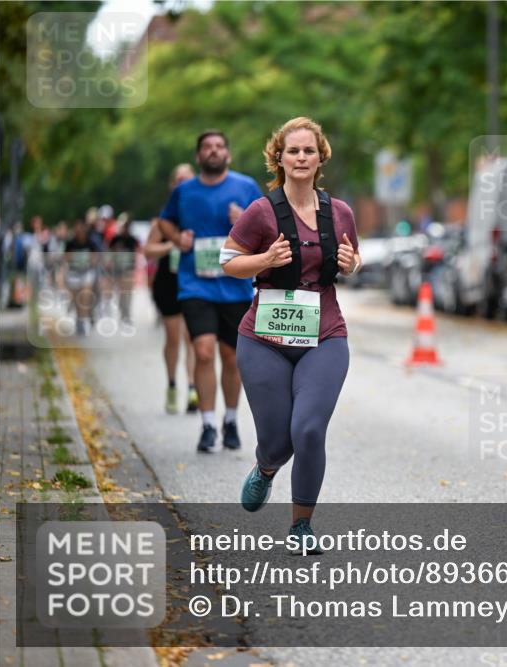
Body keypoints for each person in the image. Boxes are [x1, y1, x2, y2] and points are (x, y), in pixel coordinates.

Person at [221, 116, 359, 552]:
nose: (301, 158)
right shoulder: (261, 212)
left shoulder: (339, 212)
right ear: (278, 158)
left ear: (321, 157)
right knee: (279, 441)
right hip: (265, 339)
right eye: (293, 151)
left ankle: (301, 526)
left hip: (325, 334)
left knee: (310, 430)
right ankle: (265, 468)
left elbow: (352, 260)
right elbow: (228, 261)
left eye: (309, 150)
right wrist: (264, 258)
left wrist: (353, 263)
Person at [158, 131, 263, 452]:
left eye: (219, 147)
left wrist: (244, 219)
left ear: (228, 155)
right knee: (203, 351)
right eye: (207, 147)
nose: (213, 151)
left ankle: (230, 419)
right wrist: (177, 240)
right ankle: (207, 425)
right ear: (198, 156)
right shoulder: (184, 191)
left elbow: (270, 228)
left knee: (232, 358)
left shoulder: (246, 187)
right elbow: (165, 222)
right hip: (196, 284)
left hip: (236, 286)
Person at [144, 164, 198, 414]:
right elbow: (148, 251)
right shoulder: (163, 219)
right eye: (178, 179)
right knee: (174, 338)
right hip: (169, 282)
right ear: (172, 185)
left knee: (193, 338)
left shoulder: (201, 213)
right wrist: (173, 245)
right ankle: (172, 384)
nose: (182, 183)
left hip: (195, 280)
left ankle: (192, 388)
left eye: (186, 179)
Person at [63, 220, 101, 335]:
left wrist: (89, 261)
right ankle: (79, 319)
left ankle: (85, 318)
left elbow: (95, 258)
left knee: (85, 295)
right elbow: (66, 258)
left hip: (87, 273)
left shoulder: (91, 243)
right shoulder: (71, 244)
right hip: (74, 274)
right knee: (76, 300)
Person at [107, 213, 139, 324]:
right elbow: (109, 252)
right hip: (118, 269)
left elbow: (137, 252)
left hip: (128, 269)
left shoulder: (133, 239)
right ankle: (122, 312)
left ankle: (127, 314)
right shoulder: (116, 239)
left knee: (128, 293)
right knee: (121, 292)